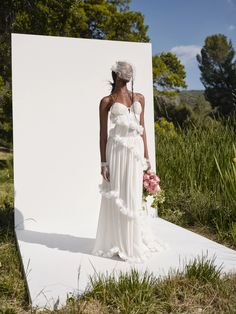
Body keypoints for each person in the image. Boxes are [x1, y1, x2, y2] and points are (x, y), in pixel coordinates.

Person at [92, 61, 168, 263]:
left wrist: (147, 158)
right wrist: (103, 163)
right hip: (116, 151)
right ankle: (118, 241)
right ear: (116, 74)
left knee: (133, 195)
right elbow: (102, 135)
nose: (129, 73)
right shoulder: (107, 101)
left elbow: (142, 130)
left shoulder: (139, 97)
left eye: (131, 71)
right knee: (119, 194)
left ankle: (133, 241)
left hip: (134, 151)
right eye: (125, 71)